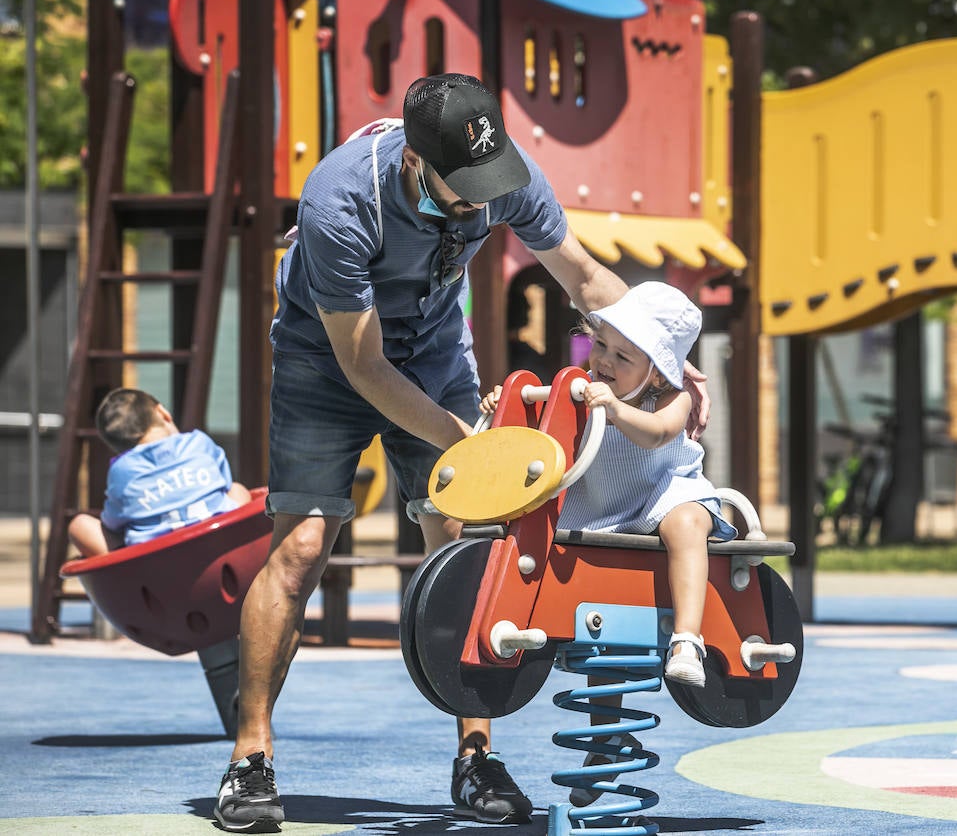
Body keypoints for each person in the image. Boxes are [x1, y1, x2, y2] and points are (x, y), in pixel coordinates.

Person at [215, 72, 702, 833]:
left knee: (461, 548)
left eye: (489, 181)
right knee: (302, 549)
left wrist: (659, 352)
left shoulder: (501, 174)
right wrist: (465, 439)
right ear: (416, 160)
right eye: (463, 186)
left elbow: (582, 276)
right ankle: (250, 761)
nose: (482, 199)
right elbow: (364, 365)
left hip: (437, 350)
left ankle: (475, 759)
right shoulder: (338, 203)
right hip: (329, 359)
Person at [479, 281, 731, 806]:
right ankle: (607, 737)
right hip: (602, 512)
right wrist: (509, 405)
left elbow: (658, 434)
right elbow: (539, 428)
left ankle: (687, 638)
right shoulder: (582, 387)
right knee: (604, 630)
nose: (605, 362)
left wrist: (614, 409)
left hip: (664, 495)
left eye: (624, 355)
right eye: (601, 347)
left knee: (687, 524)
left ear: (659, 370)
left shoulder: (673, 398)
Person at [67, 387, 252, 558]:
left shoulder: (120, 470)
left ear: (118, 449)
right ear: (163, 412)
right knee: (238, 489)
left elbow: (112, 523)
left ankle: (126, 572)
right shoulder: (199, 442)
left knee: (79, 525)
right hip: (220, 545)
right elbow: (225, 484)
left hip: (156, 563)